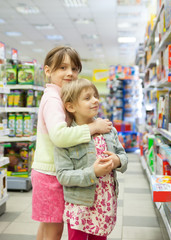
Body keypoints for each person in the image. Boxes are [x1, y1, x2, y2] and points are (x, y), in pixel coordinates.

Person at [31, 46, 112, 240]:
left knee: (47, 226)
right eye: (63, 68)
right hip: (51, 174)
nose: (70, 73)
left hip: (46, 172)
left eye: (74, 68)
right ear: (48, 70)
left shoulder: (58, 96)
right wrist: (94, 127)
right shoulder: (53, 99)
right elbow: (59, 136)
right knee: (54, 230)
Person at [54, 78, 128, 240]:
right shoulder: (67, 138)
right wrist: (92, 172)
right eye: (87, 98)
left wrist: (117, 161)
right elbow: (63, 175)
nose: (95, 100)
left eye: (95, 96)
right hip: (79, 204)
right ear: (71, 106)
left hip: (105, 202)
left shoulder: (108, 130)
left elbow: (123, 157)